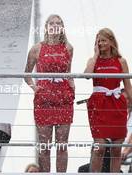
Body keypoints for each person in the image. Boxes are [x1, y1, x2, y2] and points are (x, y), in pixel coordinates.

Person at [24, 14, 75, 172]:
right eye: (51, 23)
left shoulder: (68, 48)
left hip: (63, 98)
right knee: (44, 146)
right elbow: (26, 73)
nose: (55, 26)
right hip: (44, 99)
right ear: (46, 27)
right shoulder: (37, 48)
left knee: (62, 145)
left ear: (62, 27)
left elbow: (68, 72)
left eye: (58, 23)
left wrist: (72, 86)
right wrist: (34, 87)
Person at [84, 28, 132, 172]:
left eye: (103, 40)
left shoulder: (121, 61)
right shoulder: (93, 60)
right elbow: (87, 75)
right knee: (100, 147)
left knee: (116, 149)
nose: (100, 43)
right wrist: (95, 55)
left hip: (117, 104)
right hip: (98, 104)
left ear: (111, 42)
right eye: (98, 41)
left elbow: (128, 86)